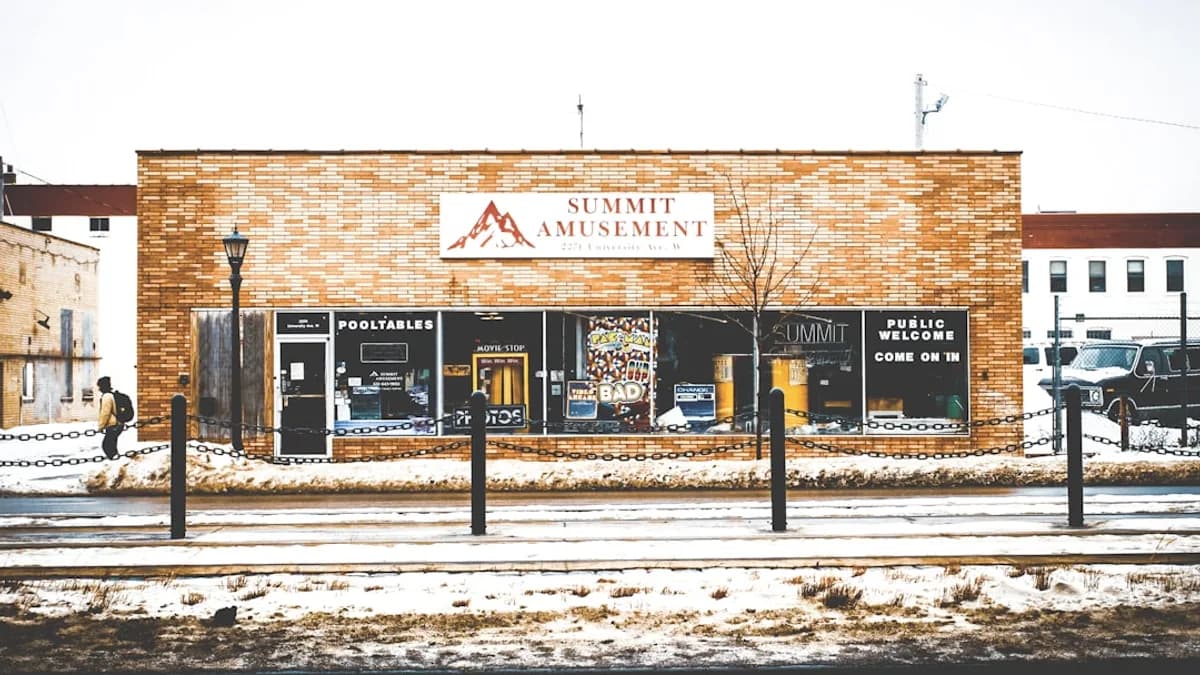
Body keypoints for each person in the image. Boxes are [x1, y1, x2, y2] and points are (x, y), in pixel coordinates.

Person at [96, 376, 123, 459]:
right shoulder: (111, 395)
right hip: (118, 424)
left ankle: (115, 461)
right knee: (111, 445)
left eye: (99, 386)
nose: (99, 389)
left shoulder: (106, 397)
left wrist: (101, 426)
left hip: (112, 424)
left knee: (107, 446)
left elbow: (105, 413)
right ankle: (115, 461)